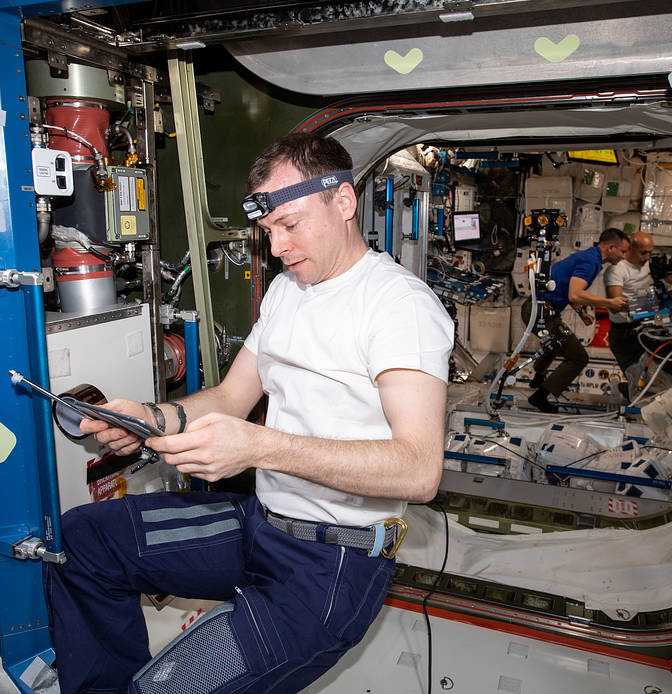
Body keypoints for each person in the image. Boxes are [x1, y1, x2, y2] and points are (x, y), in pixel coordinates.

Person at [43, 132, 455, 694]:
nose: (278, 246)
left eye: (290, 225)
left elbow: (418, 470)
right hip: (258, 524)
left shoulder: (399, 306)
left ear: (343, 201)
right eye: (268, 231)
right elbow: (230, 398)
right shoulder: (287, 291)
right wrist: (148, 419)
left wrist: (259, 447)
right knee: (82, 540)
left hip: (329, 565)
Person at [524, 228, 629, 413]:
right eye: (623, 251)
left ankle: (538, 379)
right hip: (541, 312)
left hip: (537, 308)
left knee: (556, 342)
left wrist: (581, 312)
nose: (624, 256)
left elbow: (567, 289)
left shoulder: (589, 256)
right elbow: (575, 294)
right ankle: (539, 397)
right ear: (611, 248)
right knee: (579, 357)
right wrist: (610, 302)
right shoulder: (591, 262)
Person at [604, 231, 655, 382]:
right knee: (637, 380)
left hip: (645, 327)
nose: (647, 257)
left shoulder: (648, 264)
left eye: (650, 253)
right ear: (630, 248)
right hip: (624, 333)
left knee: (655, 375)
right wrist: (648, 305)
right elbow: (615, 305)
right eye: (643, 253)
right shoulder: (617, 269)